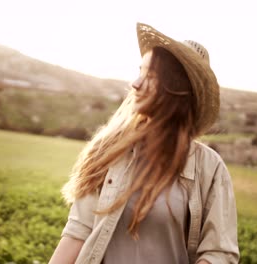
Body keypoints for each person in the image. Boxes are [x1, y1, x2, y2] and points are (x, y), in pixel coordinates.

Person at [49, 22, 239, 264]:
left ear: (175, 89)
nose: (135, 84)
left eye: (150, 76)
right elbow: (77, 231)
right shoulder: (107, 150)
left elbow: (219, 254)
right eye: (140, 72)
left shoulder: (209, 168)